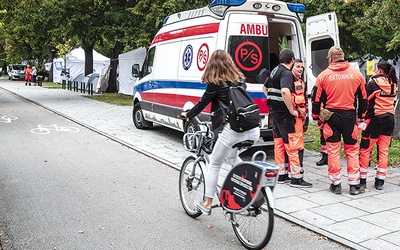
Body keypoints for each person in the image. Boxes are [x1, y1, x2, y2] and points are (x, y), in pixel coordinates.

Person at [181, 50, 260, 215]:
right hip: (253, 128)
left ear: (212, 65)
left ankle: (208, 202)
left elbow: (202, 103)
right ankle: (250, 186)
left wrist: (187, 115)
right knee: (232, 157)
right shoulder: (240, 80)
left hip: (234, 129)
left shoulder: (216, 83)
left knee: (215, 163)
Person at [311, 46, 367, 195]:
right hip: (349, 116)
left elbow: (316, 99)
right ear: (343, 56)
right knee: (352, 150)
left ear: (330, 58)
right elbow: (363, 97)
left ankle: (336, 184)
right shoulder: (356, 74)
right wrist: (361, 116)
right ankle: (354, 185)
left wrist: (316, 117)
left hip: (331, 117)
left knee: (333, 151)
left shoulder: (323, 76)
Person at [263, 49, 312, 188]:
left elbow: (264, 88)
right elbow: (285, 91)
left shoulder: (274, 71)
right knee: (293, 144)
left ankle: (282, 174)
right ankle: (296, 178)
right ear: (291, 60)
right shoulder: (286, 73)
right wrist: (291, 110)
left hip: (275, 114)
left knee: (279, 144)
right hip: (285, 115)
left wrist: (273, 101)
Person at [359, 60, 398, 190]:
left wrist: (360, 117)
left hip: (375, 120)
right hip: (390, 120)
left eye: (376, 69)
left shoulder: (374, 83)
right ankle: (380, 181)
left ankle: (362, 180)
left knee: (365, 149)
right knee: (384, 151)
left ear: (380, 70)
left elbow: (365, 100)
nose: (375, 71)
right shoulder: (394, 83)